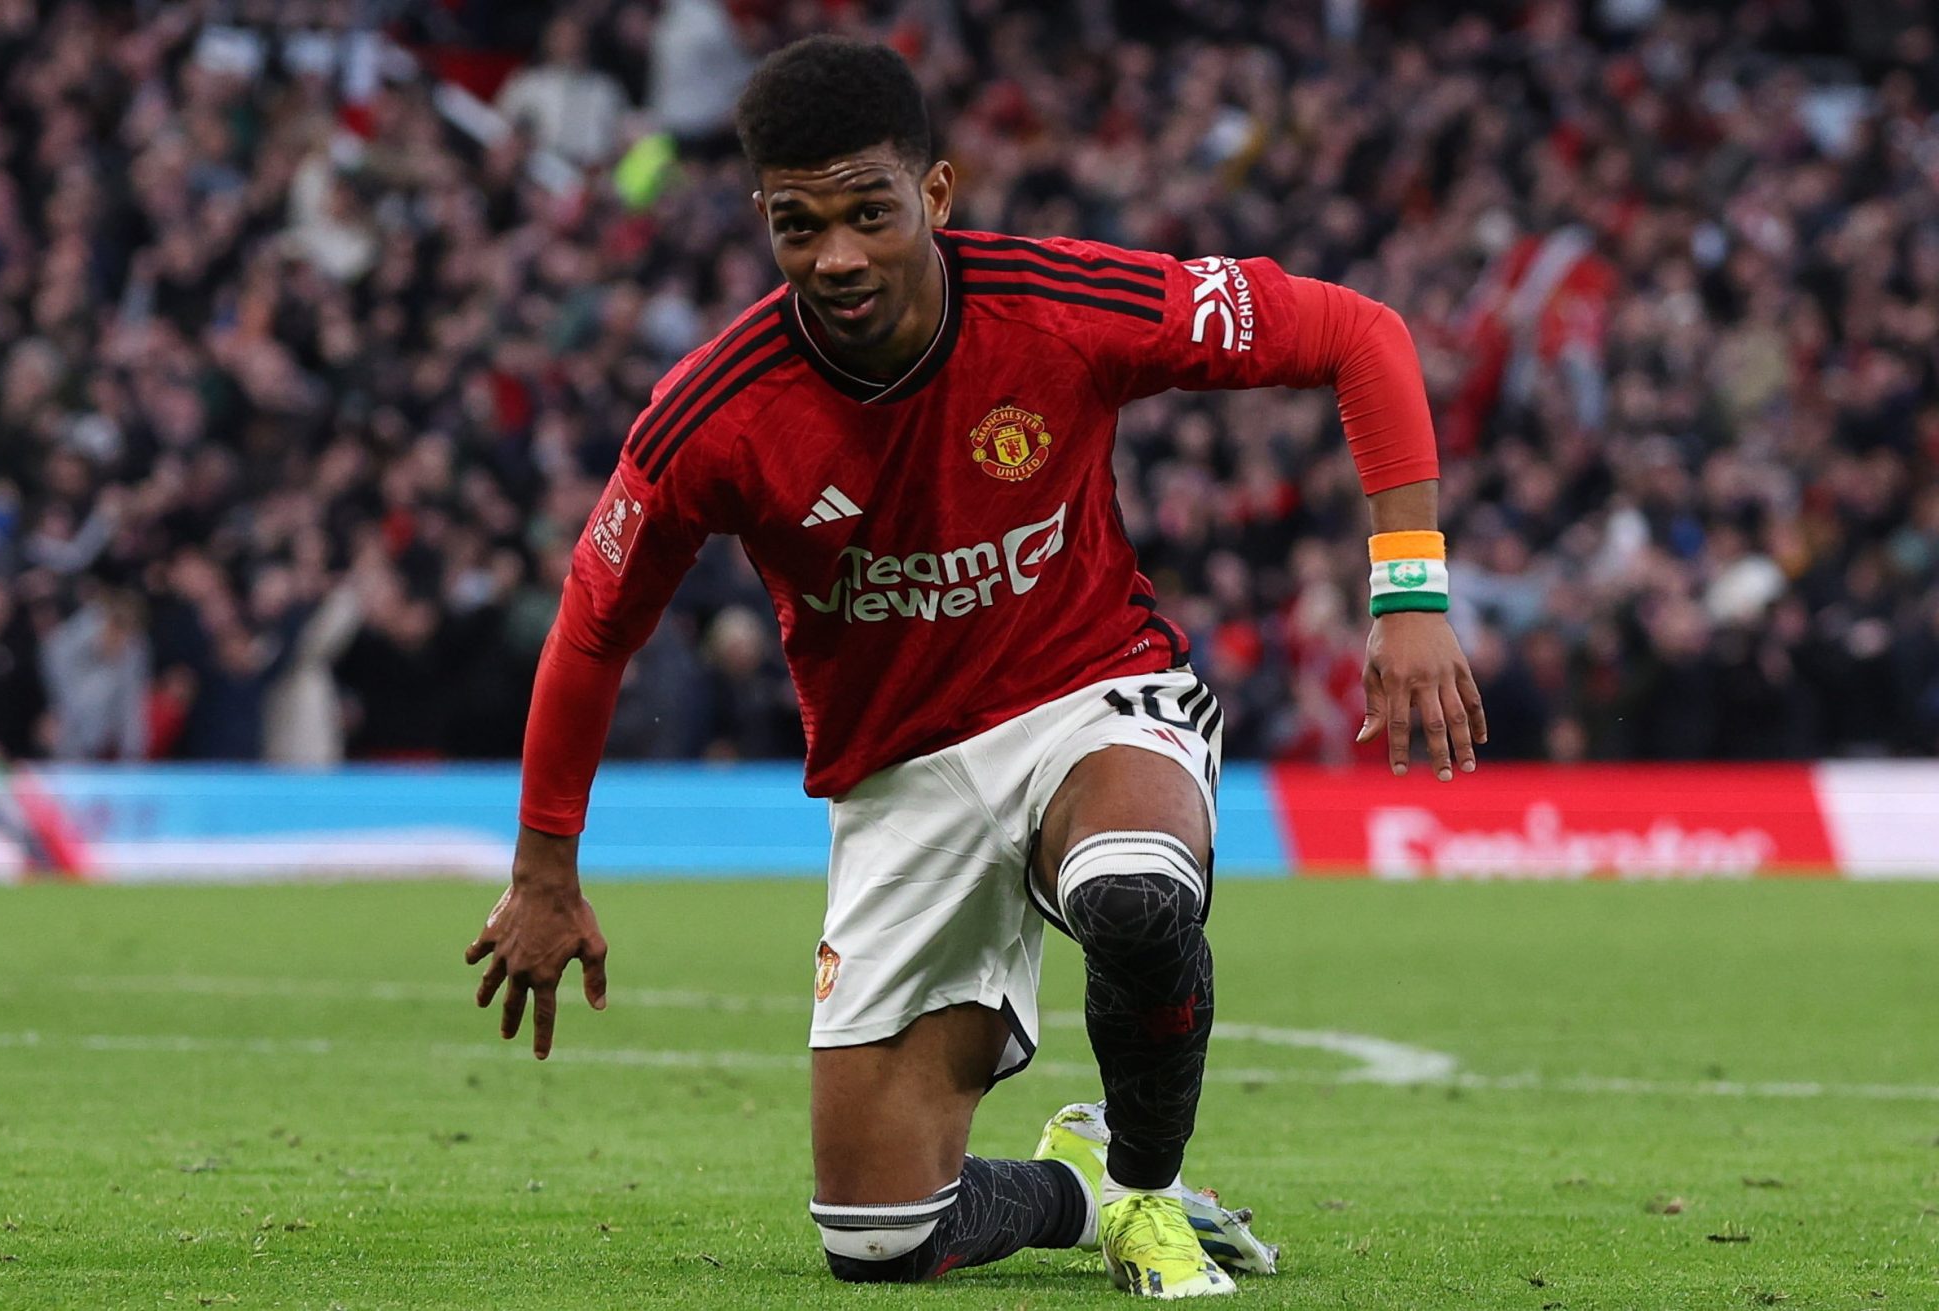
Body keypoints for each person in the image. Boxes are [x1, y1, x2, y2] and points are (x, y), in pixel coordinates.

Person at [465, 36, 1487, 1300]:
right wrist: (543, 872)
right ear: (763, 220)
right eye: (797, 226)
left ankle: (1148, 1184)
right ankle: (1086, 1188)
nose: (836, 256)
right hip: (895, 775)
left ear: (935, 194)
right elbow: (591, 629)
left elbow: (1355, 331)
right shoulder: (713, 416)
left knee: (1132, 893)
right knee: (877, 1241)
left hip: (1089, 696)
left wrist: (1407, 591)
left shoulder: (1060, 304)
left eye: (868, 212)